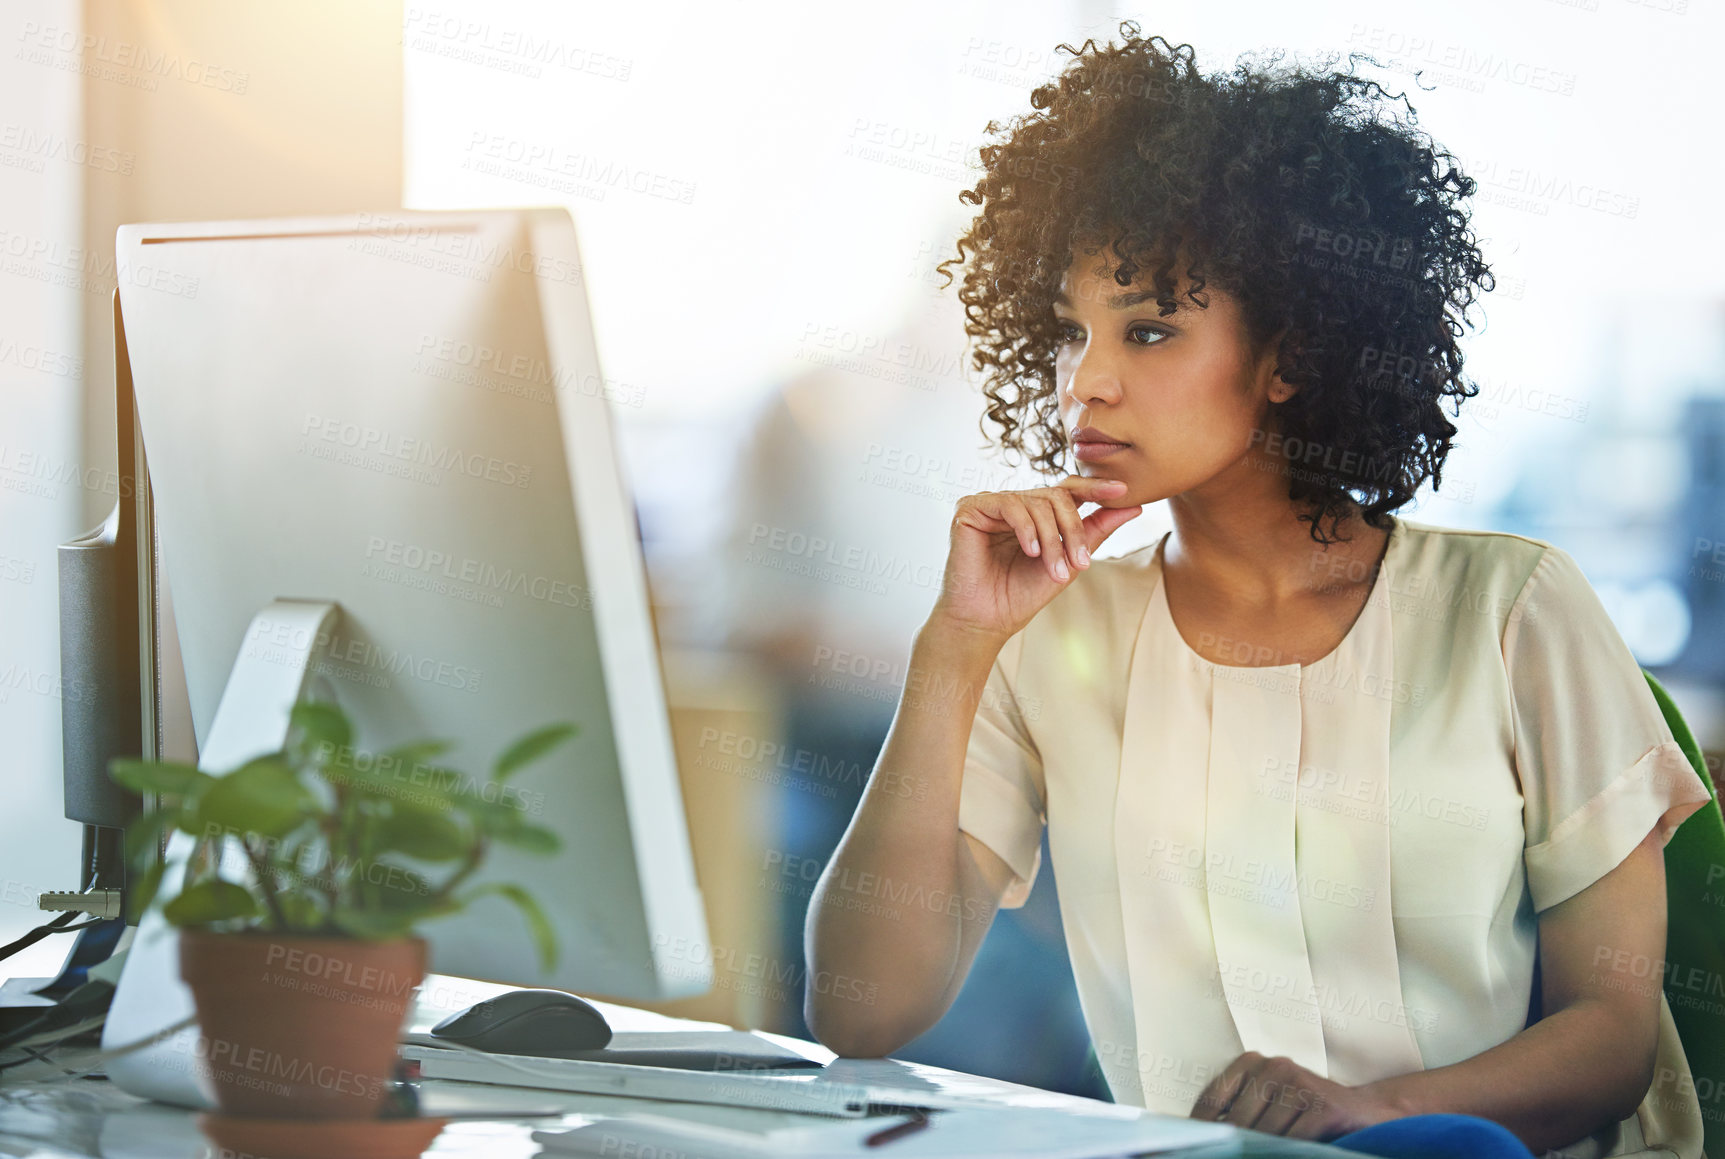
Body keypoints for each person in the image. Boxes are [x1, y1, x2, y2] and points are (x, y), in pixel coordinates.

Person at [801, 23, 1716, 1159]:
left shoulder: (1513, 606)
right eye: (1069, 333)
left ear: (1290, 353)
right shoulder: (1054, 633)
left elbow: (1615, 1036)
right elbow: (860, 1007)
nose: (1084, 381)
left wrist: (1371, 1114)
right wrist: (953, 647)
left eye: (1147, 329)